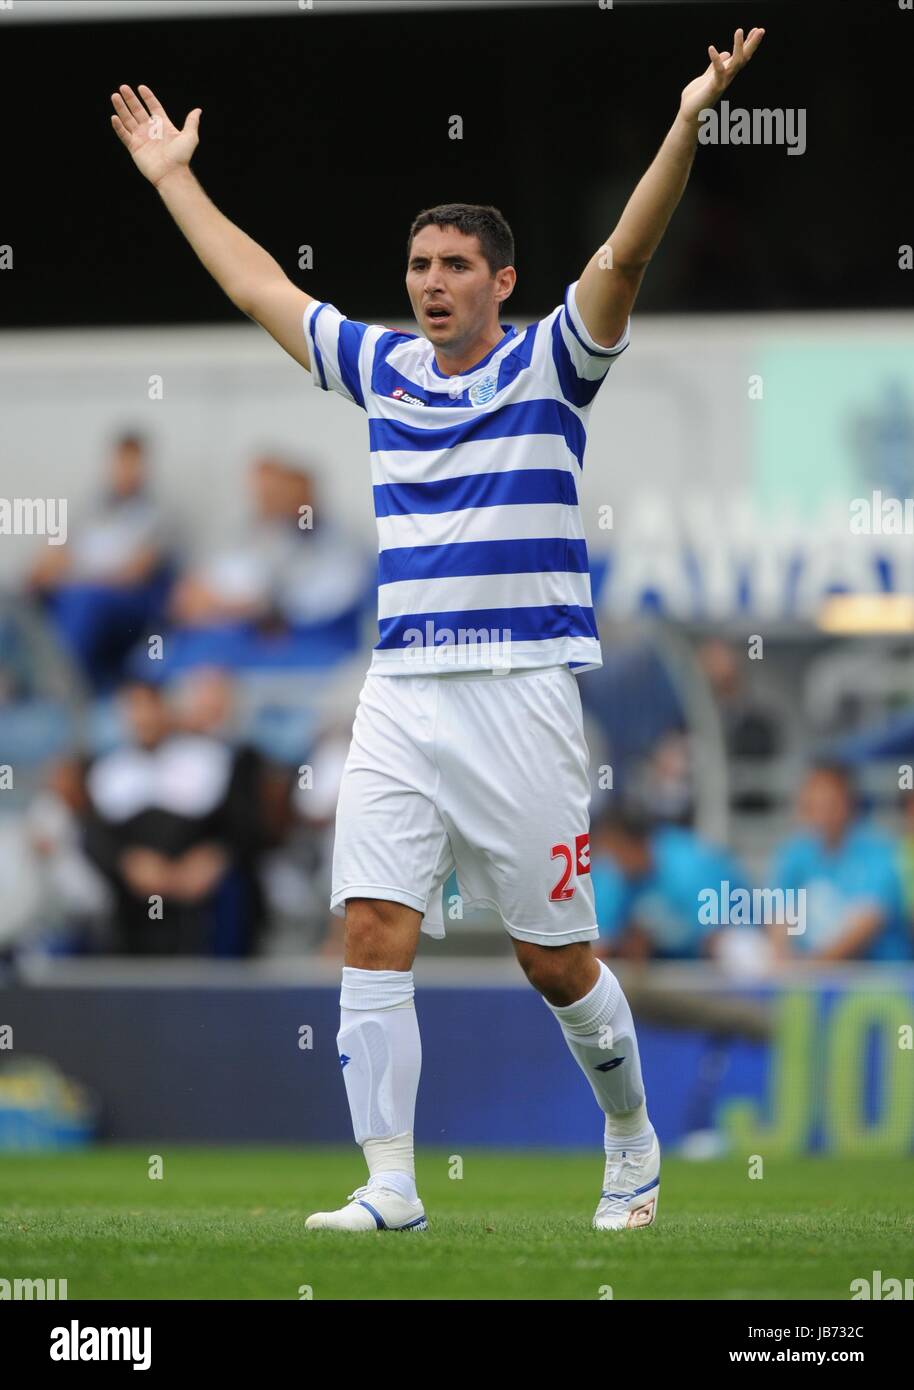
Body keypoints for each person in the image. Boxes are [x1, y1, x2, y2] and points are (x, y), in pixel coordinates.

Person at [109, 24, 765, 1232]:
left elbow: (625, 250)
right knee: (370, 927)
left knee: (551, 960)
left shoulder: (553, 366)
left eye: (453, 264)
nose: (428, 281)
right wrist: (173, 180)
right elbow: (262, 285)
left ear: (500, 281)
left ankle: (629, 1139)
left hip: (520, 692)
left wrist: (684, 123)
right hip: (402, 690)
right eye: (417, 262)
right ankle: (392, 1185)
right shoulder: (378, 367)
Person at [769, 764, 911, 962]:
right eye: (813, 804)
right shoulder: (795, 853)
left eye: (829, 803)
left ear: (848, 802)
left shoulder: (879, 852)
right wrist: (782, 963)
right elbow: (779, 917)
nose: (822, 814)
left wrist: (810, 970)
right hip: (810, 978)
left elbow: (867, 923)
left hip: (877, 980)